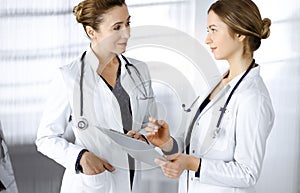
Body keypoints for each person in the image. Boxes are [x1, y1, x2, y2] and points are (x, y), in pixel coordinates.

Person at [145, 0, 275, 193]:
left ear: (239, 34)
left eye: (213, 30)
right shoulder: (217, 82)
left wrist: (193, 164)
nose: (207, 39)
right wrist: (167, 143)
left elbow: (247, 173)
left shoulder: (252, 97)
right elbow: (197, 147)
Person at [35, 0, 155, 193]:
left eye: (128, 23)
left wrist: (145, 137)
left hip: (132, 181)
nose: (127, 33)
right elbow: (46, 138)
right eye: (116, 27)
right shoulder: (69, 76)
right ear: (92, 32)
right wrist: (80, 157)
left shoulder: (139, 70)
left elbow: (151, 122)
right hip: (93, 183)